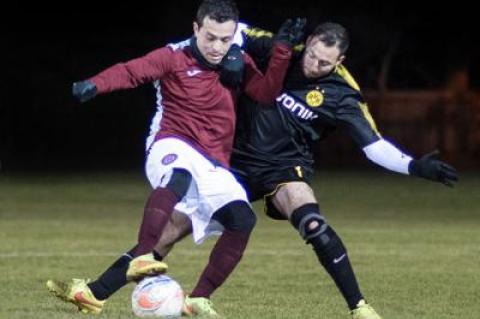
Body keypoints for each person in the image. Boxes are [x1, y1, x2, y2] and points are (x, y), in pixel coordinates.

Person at [151, 22, 459, 319]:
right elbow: (234, 29)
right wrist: (233, 53)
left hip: (285, 168)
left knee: (314, 224)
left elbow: (373, 146)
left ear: (340, 61)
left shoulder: (343, 94)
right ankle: (106, 292)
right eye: (311, 54)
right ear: (309, 41)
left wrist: (415, 166)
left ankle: (359, 307)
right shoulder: (284, 48)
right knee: (172, 227)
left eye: (324, 62)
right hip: (234, 161)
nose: (312, 65)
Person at [46, 1, 305, 317]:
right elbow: (131, 72)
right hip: (172, 143)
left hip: (214, 162)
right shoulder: (173, 56)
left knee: (242, 219)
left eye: (225, 39)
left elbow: (265, 93)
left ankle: (195, 298)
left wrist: (281, 51)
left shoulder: (238, 61)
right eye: (210, 37)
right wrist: (95, 85)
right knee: (178, 177)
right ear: (196, 29)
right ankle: (142, 258)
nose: (217, 46)